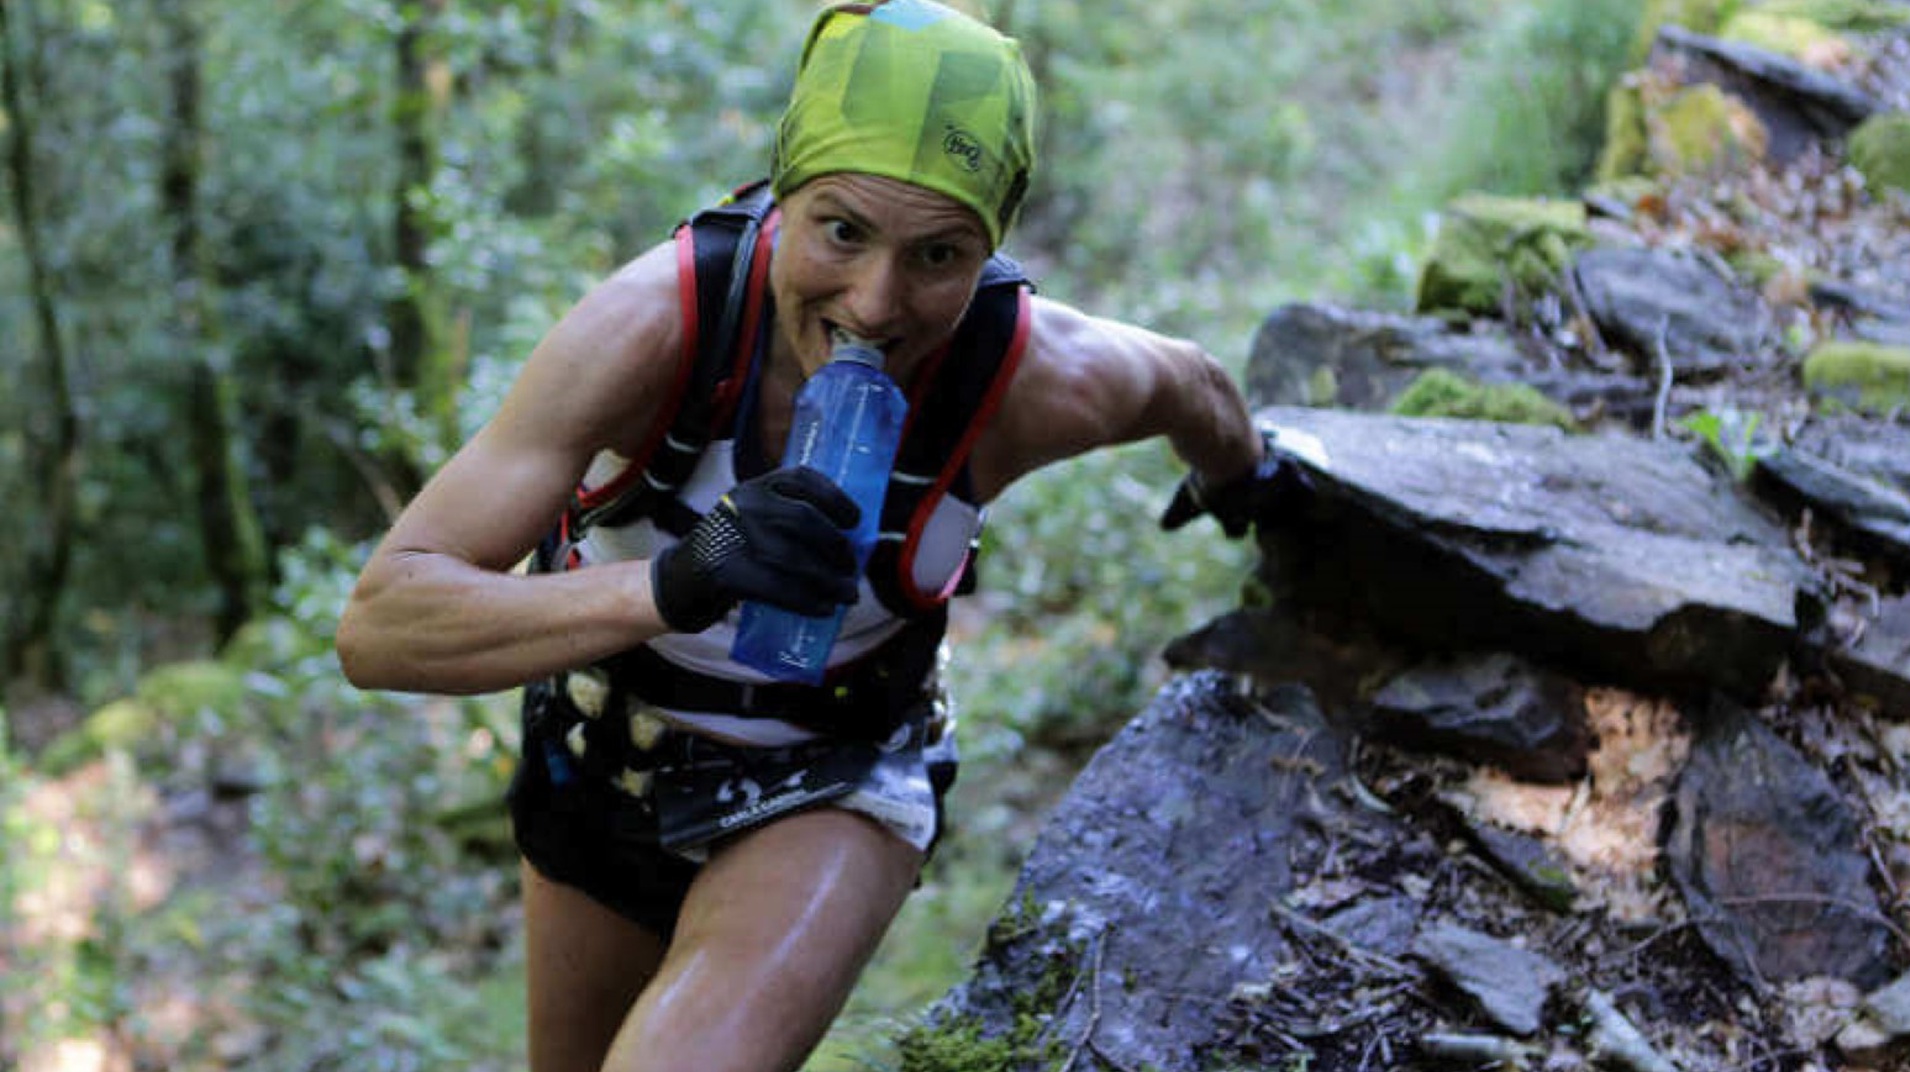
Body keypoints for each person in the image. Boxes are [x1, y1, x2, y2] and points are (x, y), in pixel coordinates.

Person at [335, 2, 1306, 1070]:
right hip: (601, 755)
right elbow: (383, 625)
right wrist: (677, 579)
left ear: (991, 248)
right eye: (840, 230)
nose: (876, 302)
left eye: (939, 253)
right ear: (783, 195)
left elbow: (1191, 385)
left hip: (835, 769)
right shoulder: (655, 329)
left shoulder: (1026, 378)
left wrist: (1249, 486)